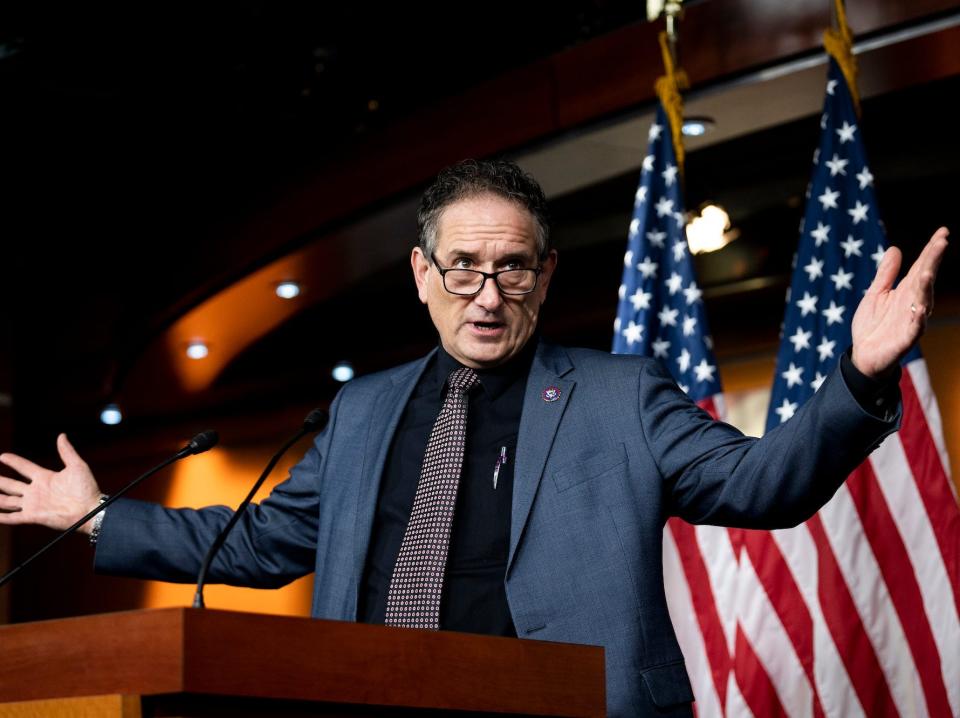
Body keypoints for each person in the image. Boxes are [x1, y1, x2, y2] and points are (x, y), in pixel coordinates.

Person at [0, 160, 949, 716]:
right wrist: (94, 518)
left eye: (511, 268)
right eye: (461, 267)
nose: (486, 295)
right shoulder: (363, 410)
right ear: (421, 274)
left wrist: (858, 378)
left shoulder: (620, 395)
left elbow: (763, 485)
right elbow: (260, 542)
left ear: (544, 275)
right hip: (374, 704)